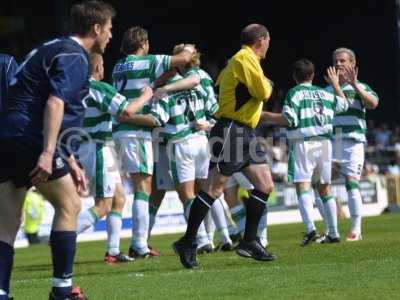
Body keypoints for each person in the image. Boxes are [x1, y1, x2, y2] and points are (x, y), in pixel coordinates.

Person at [0, 1, 115, 299]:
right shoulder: (74, 56)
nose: (111, 37)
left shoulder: (52, 47)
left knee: (8, 219)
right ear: (96, 28)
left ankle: (1, 291)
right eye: (110, 29)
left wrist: (70, 160)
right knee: (71, 206)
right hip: (30, 137)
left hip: (8, 136)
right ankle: (62, 290)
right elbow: (54, 104)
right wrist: (49, 153)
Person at [172, 23, 275, 269]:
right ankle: (188, 241)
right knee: (213, 188)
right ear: (261, 39)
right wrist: (267, 84)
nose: (269, 45)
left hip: (245, 131)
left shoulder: (244, 60)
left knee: (265, 184)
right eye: (268, 40)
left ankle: (250, 240)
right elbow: (263, 92)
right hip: (231, 130)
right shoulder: (244, 58)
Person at [112, 26, 195, 258]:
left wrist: (162, 80)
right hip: (135, 130)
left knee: (143, 186)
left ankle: (137, 243)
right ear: (144, 43)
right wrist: (189, 48)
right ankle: (139, 244)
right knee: (142, 187)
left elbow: (153, 81)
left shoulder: (118, 66)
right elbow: (184, 58)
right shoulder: (149, 61)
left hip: (121, 130)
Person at [76, 53, 153, 264]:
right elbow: (126, 111)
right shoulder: (98, 88)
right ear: (98, 67)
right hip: (99, 147)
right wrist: (146, 96)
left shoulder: (74, 88)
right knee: (103, 205)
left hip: (89, 146)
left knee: (119, 199)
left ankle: (112, 251)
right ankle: (64, 233)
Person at [262, 59, 349, 245]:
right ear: (312, 75)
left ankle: (310, 229)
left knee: (303, 186)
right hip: (325, 144)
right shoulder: (324, 93)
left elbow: (289, 120)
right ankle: (333, 232)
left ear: (294, 76)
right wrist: (335, 85)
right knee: (325, 188)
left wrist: (265, 115)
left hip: (304, 143)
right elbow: (344, 105)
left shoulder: (295, 93)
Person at [315, 48, 379, 242]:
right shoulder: (325, 91)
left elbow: (373, 103)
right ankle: (331, 230)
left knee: (352, 183)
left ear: (352, 64)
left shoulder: (361, 86)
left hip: (352, 142)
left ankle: (355, 230)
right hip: (332, 143)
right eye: (335, 61)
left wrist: (354, 84)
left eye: (343, 61)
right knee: (319, 185)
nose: (338, 64)